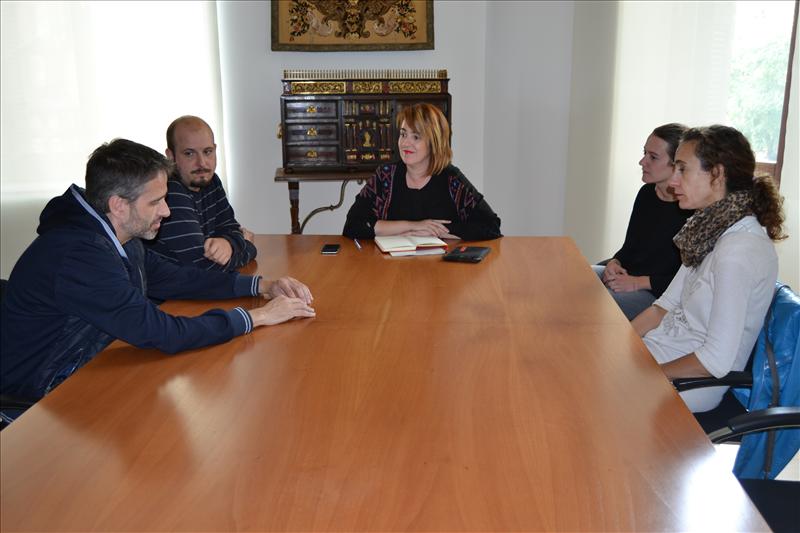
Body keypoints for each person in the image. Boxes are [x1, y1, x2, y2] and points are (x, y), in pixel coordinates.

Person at [0, 139, 315, 403]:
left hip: (90, 367)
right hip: (44, 395)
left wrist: (260, 286)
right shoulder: (80, 256)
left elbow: (177, 278)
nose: (166, 210)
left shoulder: (118, 235)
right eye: (156, 202)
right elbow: (160, 332)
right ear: (119, 205)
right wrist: (258, 317)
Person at [632, 125, 786, 413]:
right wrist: (620, 344)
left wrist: (647, 375)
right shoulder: (708, 229)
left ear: (717, 173)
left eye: (682, 169)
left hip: (689, 382)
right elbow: (663, 307)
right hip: (659, 354)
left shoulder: (738, 250)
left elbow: (715, 360)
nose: (673, 181)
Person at [342, 103, 502, 241]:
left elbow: (491, 226)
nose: (405, 143)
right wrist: (413, 226)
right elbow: (353, 225)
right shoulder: (385, 175)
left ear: (434, 142)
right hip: (391, 264)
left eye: (416, 137)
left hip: (441, 264)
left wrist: (435, 231)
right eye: (403, 134)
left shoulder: (451, 179)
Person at [592, 123, 694, 320]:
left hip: (658, 295)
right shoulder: (647, 193)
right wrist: (615, 262)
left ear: (676, 164)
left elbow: (685, 282)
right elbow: (630, 248)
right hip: (629, 279)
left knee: (595, 303)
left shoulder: (691, 209)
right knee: (575, 277)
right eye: (644, 153)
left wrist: (637, 282)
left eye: (653, 157)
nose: (642, 162)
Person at [146, 116, 256, 271]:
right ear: (170, 156)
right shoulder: (169, 192)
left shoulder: (211, 181)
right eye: (189, 154)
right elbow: (202, 266)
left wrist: (228, 243)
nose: (202, 163)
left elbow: (230, 227)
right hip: (173, 285)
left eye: (208, 152)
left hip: (199, 283)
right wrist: (248, 246)